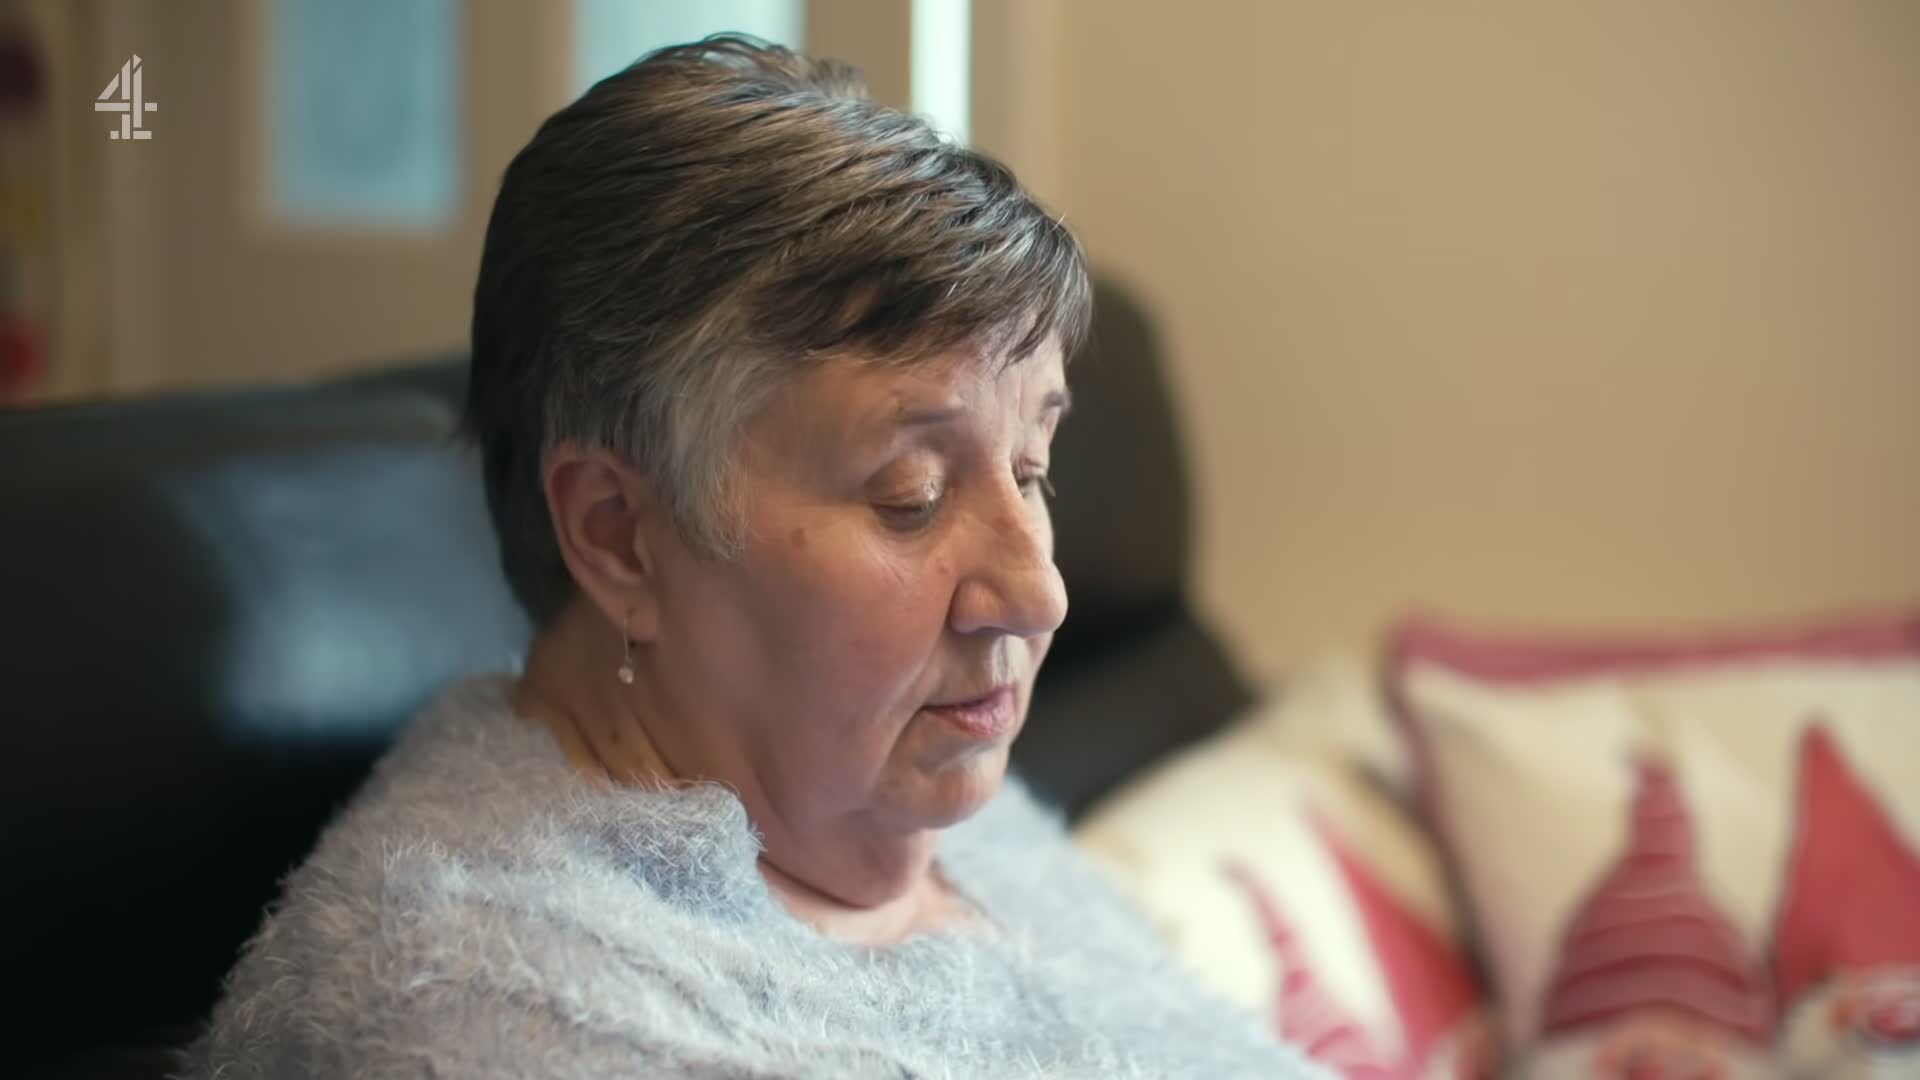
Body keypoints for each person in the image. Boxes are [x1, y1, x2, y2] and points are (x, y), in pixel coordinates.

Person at [184, 35, 1322, 1079]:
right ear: (618, 536)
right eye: (912, 495)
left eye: (1032, 470)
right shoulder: (503, 1015)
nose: (1039, 593)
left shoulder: (902, 790)